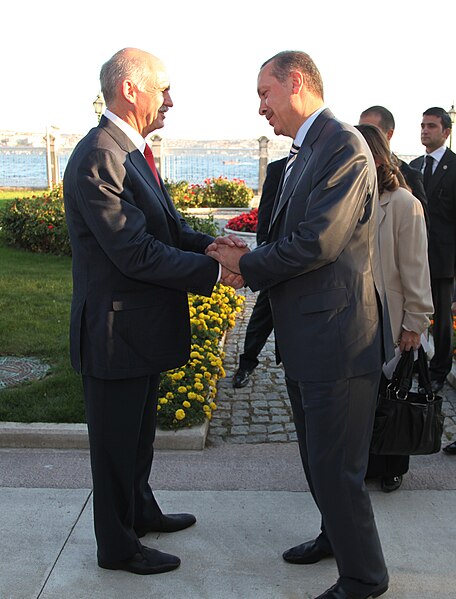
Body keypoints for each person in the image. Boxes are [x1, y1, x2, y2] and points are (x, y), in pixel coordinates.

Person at [207, 50, 392, 599]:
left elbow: (318, 242)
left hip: (338, 340)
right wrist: (251, 251)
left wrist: (247, 265)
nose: (260, 106)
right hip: (308, 339)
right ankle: (334, 536)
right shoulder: (306, 149)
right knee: (317, 458)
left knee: (337, 467)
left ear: (295, 82)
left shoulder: (342, 145)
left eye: (264, 93)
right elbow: (292, 235)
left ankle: (365, 577)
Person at [63, 47, 244, 575]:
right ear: (130, 90)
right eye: (163, 89)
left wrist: (212, 244)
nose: (171, 100)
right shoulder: (102, 154)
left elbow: (163, 229)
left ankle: (140, 511)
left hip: (136, 331)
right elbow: (134, 252)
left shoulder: (130, 150)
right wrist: (216, 273)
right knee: (115, 449)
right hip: (114, 333)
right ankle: (117, 547)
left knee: (137, 438)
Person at [356, 123, 434, 491]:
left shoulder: (404, 203)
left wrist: (415, 324)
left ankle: (393, 466)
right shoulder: (351, 199)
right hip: (358, 318)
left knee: (395, 392)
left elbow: (416, 269)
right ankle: (370, 461)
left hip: (394, 317)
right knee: (368, 398)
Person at [410, 108, 456, 396]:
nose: (425, 131)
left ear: (446, 132)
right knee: (414, 312)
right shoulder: (413, 166)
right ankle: (416, 363)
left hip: (442, 258)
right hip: (414, 255)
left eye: (432, 126)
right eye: (423, 125)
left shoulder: (454, 166)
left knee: (440, 320)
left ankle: (439, 370)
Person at [232, 157, 287, 388]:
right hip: (276, 259)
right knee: (262, 315)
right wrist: (265, 251)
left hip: (308, 264)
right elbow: (265, 215)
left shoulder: (324, 165)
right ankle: (246, 364)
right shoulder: (277, 169)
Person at [358, 105, 429, 228]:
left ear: (389, 134)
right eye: (361, 131)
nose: (365, 137)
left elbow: (419, 228)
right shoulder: (353, 173)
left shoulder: (410, 175)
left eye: (372, 131)